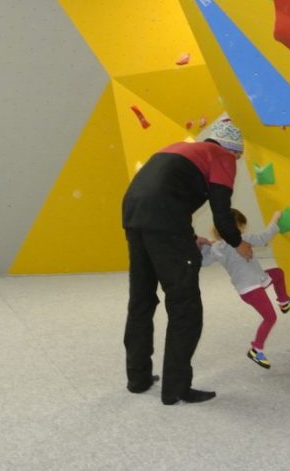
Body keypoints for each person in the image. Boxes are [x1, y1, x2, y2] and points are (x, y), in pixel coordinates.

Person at [121, 119, 252, 405]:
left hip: (134, 216)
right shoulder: (224, 157)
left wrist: (189, 237)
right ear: (232, 149)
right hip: (165, 222)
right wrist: (237, 242)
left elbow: (166, 192)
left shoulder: (182, 148)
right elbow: (222, 213)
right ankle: (176, 389)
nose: (238, 161)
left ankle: (138, 378)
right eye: (239, 155)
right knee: (185, 308)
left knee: (141, 300)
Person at [198, 209, 290, 370]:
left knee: (277, 273)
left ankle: (284, 301)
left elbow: (204, 262)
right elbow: (262, 238)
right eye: (242, 227)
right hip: (252, 288)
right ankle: (256, 349)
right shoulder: (241, 238)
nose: (243, 231)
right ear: (236, 227)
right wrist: (275, 219)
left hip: (251, 285)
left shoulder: (217, 247)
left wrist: (204, 246)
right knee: (270, 318)